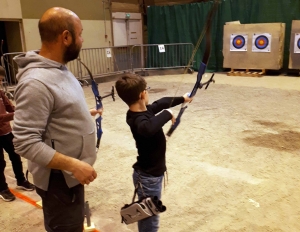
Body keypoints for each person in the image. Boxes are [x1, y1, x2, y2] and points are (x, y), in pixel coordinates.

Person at [12, 7, 101, 232]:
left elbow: (55, 108)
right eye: (80, 34)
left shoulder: (58, 69)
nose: (82, 40)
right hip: (59, 181)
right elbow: (24, 142)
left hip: (71, 176)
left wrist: (79, 113)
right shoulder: (36, 83)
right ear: (66, 37)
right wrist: (73, 164)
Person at [115, 74, 193, 232]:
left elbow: (162, 102)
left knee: (147, 215)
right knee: (151, 221)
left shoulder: (145, 111)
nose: (148, 92)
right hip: (148, 178)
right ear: (142, 94)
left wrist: (182, 98)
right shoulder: (137, 120)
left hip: (150, 176)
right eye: (147, 90)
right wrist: (168, 114)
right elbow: (148, 128)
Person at [0, 66, 35, 202]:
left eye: (2, 80)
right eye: (0, 80)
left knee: (15, 155)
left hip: (6, 132)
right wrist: (18, 114)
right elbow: (2, 117)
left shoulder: (1, 93)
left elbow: (10, 107)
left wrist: (23, 108)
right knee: (0, 163)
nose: (1, 83)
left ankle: (21, 180)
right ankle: (2, 188)